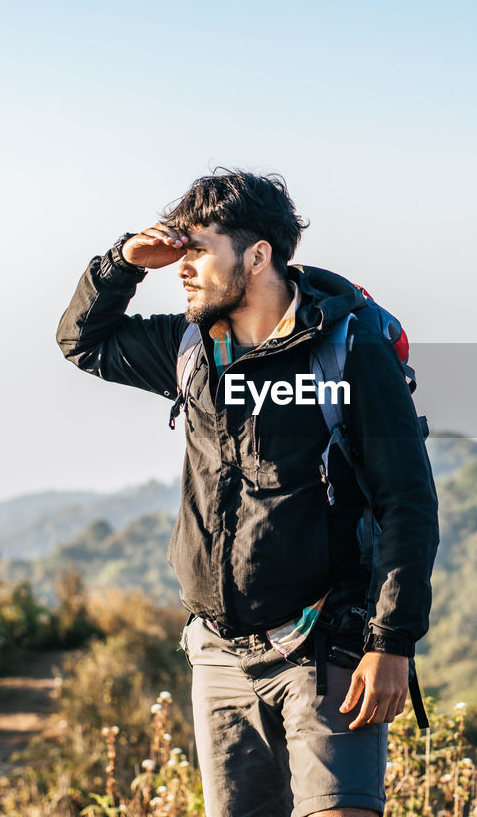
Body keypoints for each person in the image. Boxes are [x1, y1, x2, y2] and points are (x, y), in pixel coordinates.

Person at [56, 168, 440, 817]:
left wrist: (392, 642)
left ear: (258, 256)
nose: (181, 267)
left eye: (198, 249)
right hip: (218, 656)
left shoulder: (349, 351)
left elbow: (406, 501)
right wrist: (122, 262)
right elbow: (82, 342)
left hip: (323, 649)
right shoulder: (192, 346)